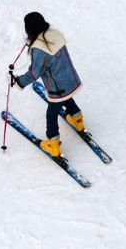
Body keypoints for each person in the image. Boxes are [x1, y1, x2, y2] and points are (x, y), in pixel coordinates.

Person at [11, 12, 85, 157]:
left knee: (51, 114)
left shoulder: (40, 48)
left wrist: (18, 82)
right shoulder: (55, 34)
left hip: (58, 89)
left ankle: (53, 145)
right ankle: (77, 119)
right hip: (72, 80)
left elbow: (34, 73)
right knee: (67, 98)